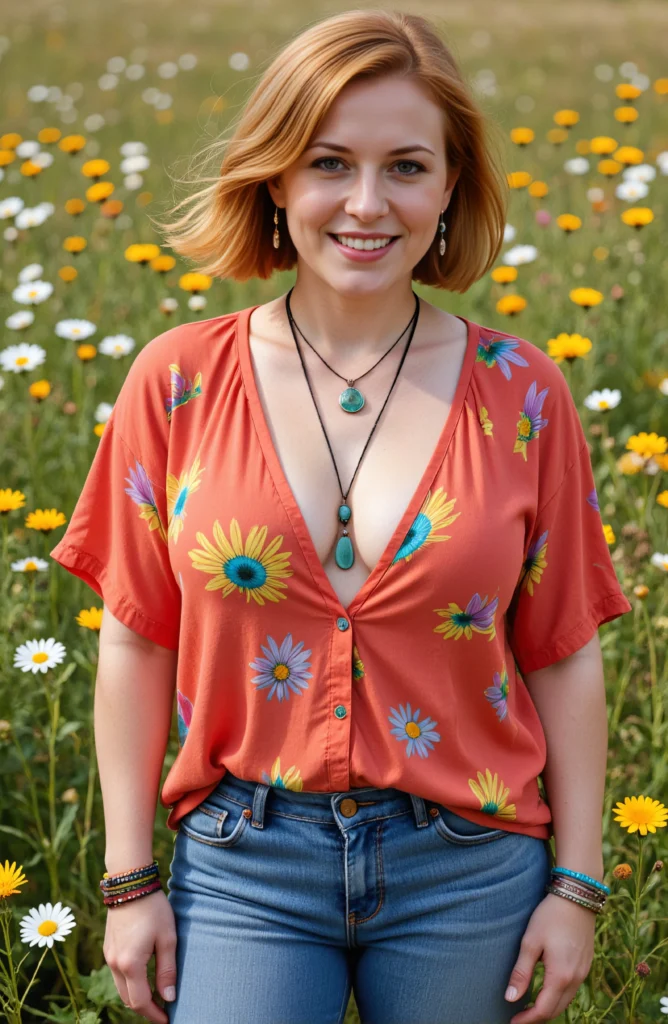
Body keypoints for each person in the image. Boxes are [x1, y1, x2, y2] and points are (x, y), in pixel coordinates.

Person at [49, 9, 633, 1024]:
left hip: (470, 866)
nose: (365, 203)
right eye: (328, 162)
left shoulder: (523, 392)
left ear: (450, 185)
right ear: (275, 179)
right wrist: (128, 880)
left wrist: (574, 884)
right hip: (242, 864)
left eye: (406, 166)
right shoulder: (176, 381)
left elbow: (561, 650)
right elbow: (136, 641)